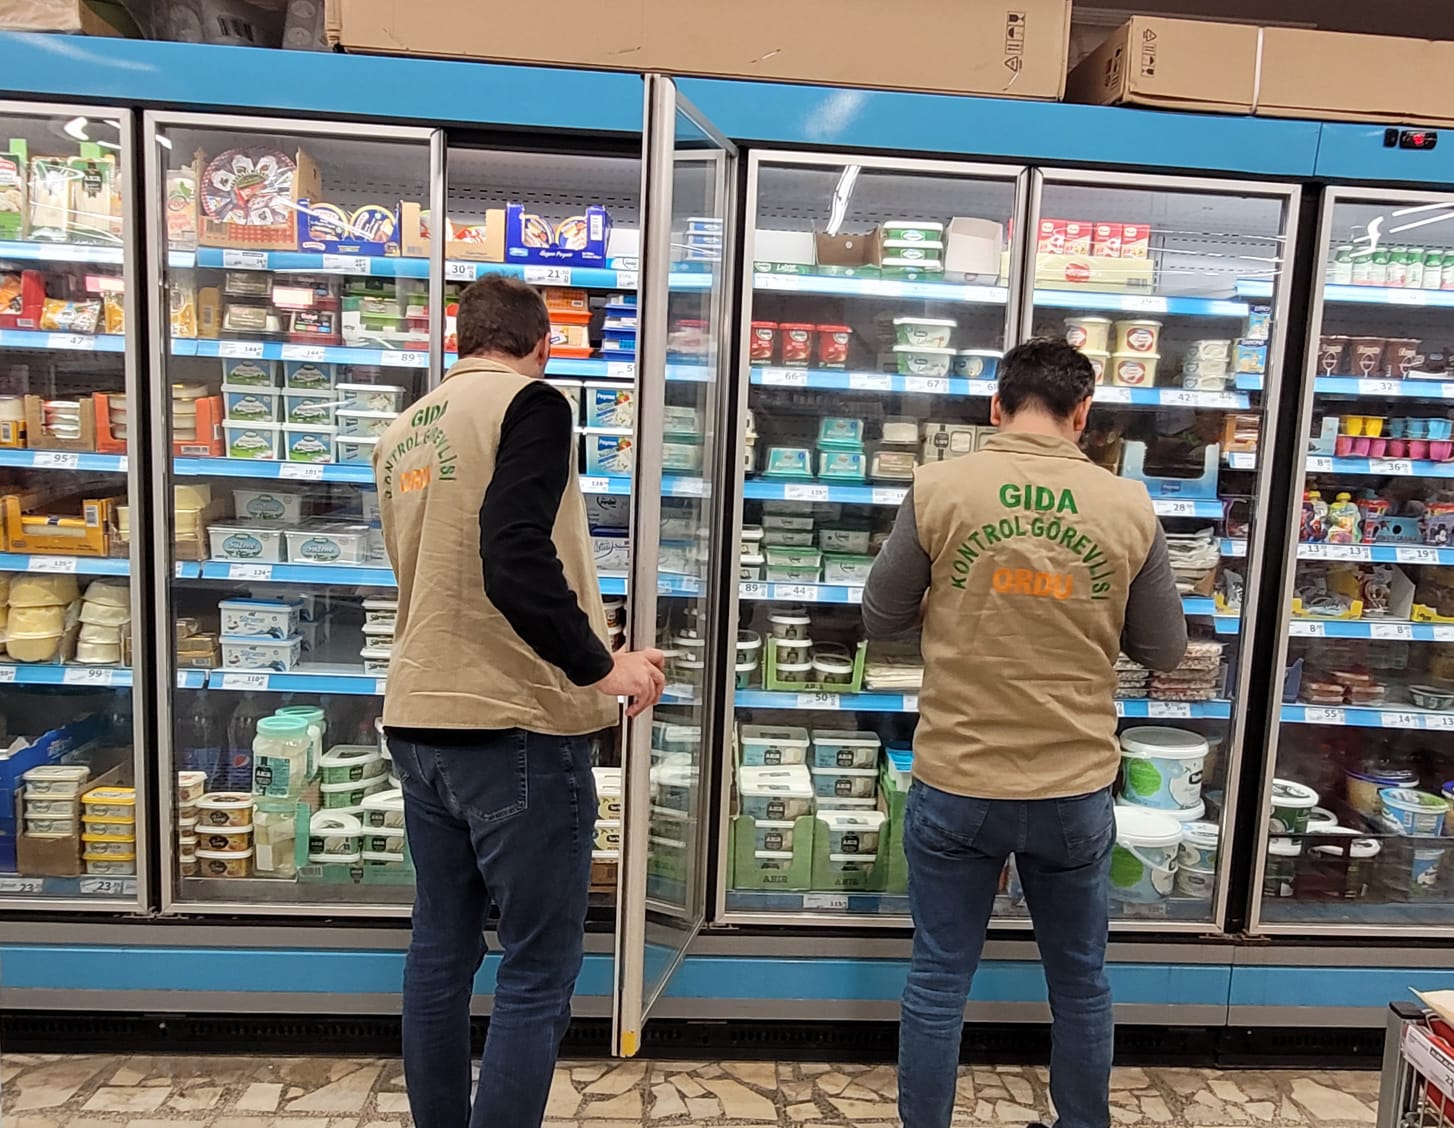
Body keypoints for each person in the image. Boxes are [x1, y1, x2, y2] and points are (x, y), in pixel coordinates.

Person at [862, 338, 1187, 1128]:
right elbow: (1165, 650)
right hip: (1072, 785)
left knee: (939, 979)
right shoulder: (1127, 504)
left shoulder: (939, 486)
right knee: (1080, 982)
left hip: (958, 776)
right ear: (1083, 414)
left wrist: (952, 605)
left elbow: (879, 617)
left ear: (996, 408)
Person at [372, 275, 665, 1128]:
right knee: (537, 968)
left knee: (441, 950)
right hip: (513, 723)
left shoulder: (403, 430)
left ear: (461, 341)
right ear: (544, 345)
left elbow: (445, 573)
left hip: (420, 716)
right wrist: (601, 667)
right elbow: (512, 558)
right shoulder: (533, 404)